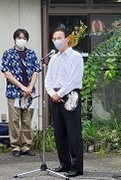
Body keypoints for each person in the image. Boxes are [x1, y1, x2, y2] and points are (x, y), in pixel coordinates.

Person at [44, 27, 84, 177]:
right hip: (55, 96)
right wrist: (52, 93)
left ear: (67, 38)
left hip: (70, 95)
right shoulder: (54, 58)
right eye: (54, 39)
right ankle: (64, 163)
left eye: (59, 38)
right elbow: (48, 78)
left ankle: (76, 167)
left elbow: (74, 80)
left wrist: (59, 93)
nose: (56, 41)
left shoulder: (75, 57)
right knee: (59, 132)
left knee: (73, 132)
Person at [0, 29, 41, 157]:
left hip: (29, 93)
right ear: (15, 39)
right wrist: (22, 87)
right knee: (14, 121)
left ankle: (26, 146)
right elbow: (7, 73)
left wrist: (29, 87)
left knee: (27, 120)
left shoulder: (31, 54)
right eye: (19, 37)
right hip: (14, 93)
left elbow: (36, 71)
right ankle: (15, 146)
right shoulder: (8, 54)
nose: (21, 40)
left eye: (24, 38)